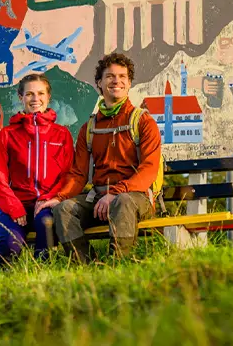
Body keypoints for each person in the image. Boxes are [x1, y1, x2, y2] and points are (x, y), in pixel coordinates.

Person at [36, 53, 162, 260]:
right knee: (63, 209)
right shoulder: (89, 128)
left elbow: (148, 170)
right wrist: (58, 198)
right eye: (110, 76)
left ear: (129, 83)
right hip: (99, 199)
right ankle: (86, 266)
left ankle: (119, 265)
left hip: (135, 198)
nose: (117, 81)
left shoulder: (143, 122)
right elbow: (78, 174)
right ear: (99, 83)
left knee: (122, 201)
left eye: (123, 76)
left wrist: (115, 193)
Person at [0, 74, 73, 269]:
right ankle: (0, 285)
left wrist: (49, 198)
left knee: (46, 227)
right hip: (15, 207)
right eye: (29, 94)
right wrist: (14, 207)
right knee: (10, 244)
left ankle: (43, 279)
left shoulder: (61, 134)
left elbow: (68, 174)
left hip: (47, 205)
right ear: (21, 97)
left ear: (48, 97)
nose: (35, 99)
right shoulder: (8, 134)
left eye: (40, 93)